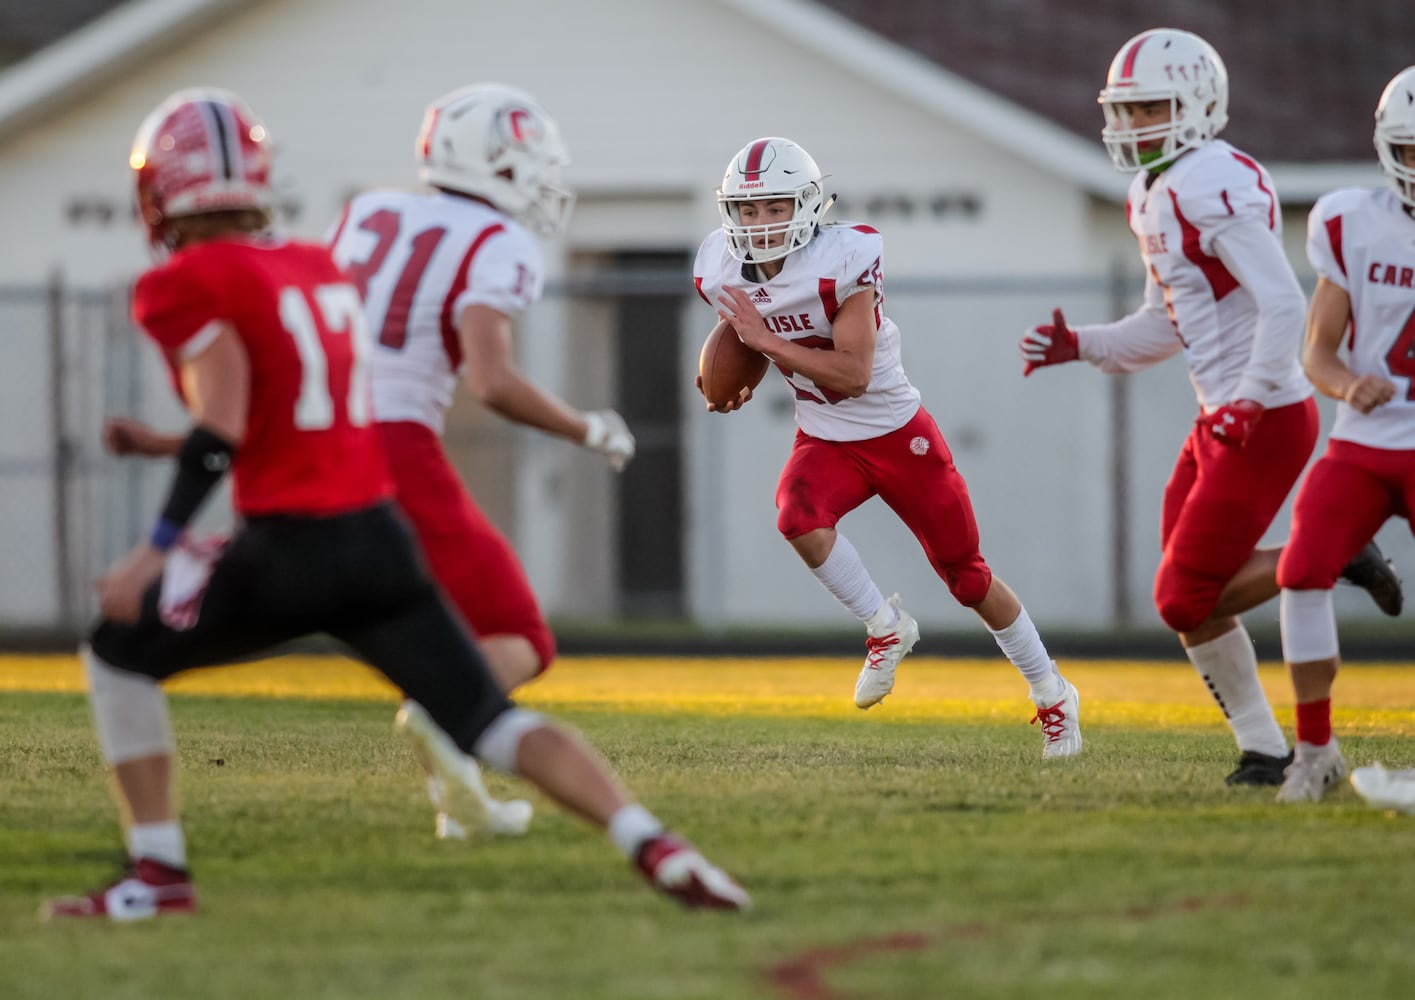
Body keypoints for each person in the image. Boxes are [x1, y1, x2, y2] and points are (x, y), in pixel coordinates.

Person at [44, 88, 747, 920]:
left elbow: (227, 423)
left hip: (287, 547)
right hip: (377, 537)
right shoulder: (311, 263)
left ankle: (158, 876)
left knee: (118, 652)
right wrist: (175, 442)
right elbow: (305, 400)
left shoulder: (191, 279)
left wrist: (156, 546)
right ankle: (655, 844)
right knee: (492, 718)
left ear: (162, 188)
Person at [105, 82, 637, 842]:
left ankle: (465, 804)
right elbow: (492, 381)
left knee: (427, 618)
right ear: (494, 163)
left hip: (323, 438)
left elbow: (291, 363)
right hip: (394, 446)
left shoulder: (368, 211)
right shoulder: (497, 240)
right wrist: (587, 428)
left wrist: (172, 441)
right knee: (519, 635)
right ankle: (442, 709)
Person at [1019, 28, 1403, 786]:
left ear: (1197, 105)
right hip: (1221, 415)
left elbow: (1281, 304)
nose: (1132, 126)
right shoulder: (1150, 191)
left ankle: (1330, 553)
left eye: (1150, 108)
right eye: (1124, 111)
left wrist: (1250, 402)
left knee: (1177, 594)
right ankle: (1263, 750)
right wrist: (1084, 345)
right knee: (1192, 599)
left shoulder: (1208, 180)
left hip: (1259, 416)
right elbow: (1164, 323)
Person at [694, 136, 1082, 759]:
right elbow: (749, 336)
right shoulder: (717, 267)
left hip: (899, 434)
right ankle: (884, 627)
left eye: (775, 207)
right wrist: (734, 378)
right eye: (750, 209)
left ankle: (1053, 693)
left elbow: (852, 374)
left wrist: (762, 343)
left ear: (809, 205)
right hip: (824, 437)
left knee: (967, 576)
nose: (760, 223)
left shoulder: (843, 259)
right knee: (796, 518)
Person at [1274, 66, 1415, 804]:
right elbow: (1317, 351)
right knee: (1299, 570)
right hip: (1362, 442)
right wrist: (1344, 384)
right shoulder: (1349, 221)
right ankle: (1314, 749)